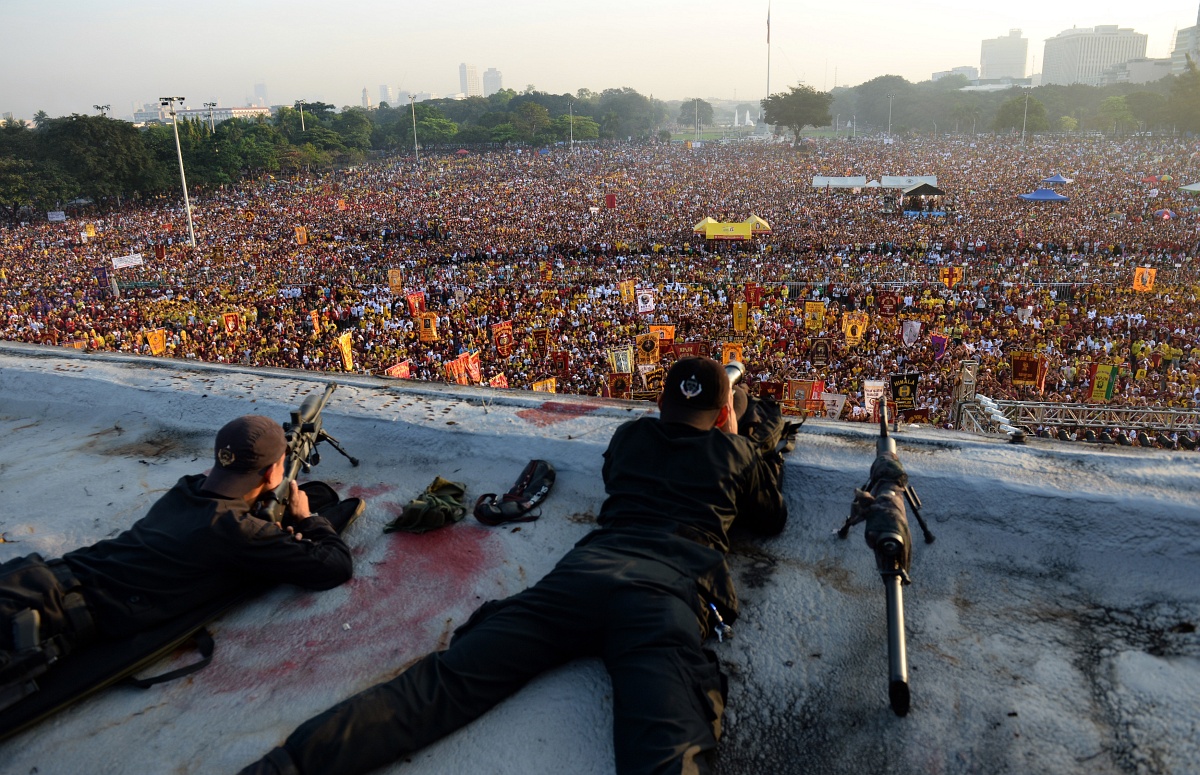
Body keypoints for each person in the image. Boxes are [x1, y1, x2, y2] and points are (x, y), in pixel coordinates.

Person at [240, 356, 789, 775]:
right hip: (663, 596)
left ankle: (288, 766)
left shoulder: (629, 437)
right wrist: (743, 442)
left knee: (443, 685)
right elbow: (771, 517)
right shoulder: (735, 453)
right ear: (722, 415)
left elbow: (640, 460)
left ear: (661, 407)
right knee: (666, 744)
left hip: (580, 578)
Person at [0, 414, 360, 707]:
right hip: (44, 622)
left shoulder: (184, 489)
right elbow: (334, 566)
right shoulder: (238, 531)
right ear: (271, 474)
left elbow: (219, 501)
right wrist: (308, 517)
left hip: (35, 579)